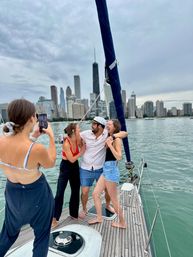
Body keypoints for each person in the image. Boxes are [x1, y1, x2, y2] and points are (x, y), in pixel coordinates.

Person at [0, 99, 56, 257]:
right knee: (42, 236)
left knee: (8, 234)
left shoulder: (1, 141)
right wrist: (51, 137)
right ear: (33, 118)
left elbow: (18, 153)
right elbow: (50, 162)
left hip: (12, 193)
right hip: (36, 194)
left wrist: (32, 137)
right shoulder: (36, 149)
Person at [79, 116, 128, 219]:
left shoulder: (107, 134)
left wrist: (112, 137)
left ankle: (107, 205)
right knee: (85, 192)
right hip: (85, 168)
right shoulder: (85, 134)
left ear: (100, 127)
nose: (92, 126)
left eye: (94, 124)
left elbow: (125, 133)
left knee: (107, 191)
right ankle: (84, 209)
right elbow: (74, 137)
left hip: (101, 168)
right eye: (92, 123)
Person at [52, 123, 85, 228]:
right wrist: (82, 152)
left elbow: (82, 143)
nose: (80, 129)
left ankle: (74, 214)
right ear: (74, 131)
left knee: (75, 190)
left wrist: (82, 143)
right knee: (59, 193)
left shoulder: (77, 139)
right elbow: (71, 159)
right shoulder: (66, 143)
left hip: (74, 166)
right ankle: (54, 218)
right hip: (66, 166)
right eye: (78, 128)